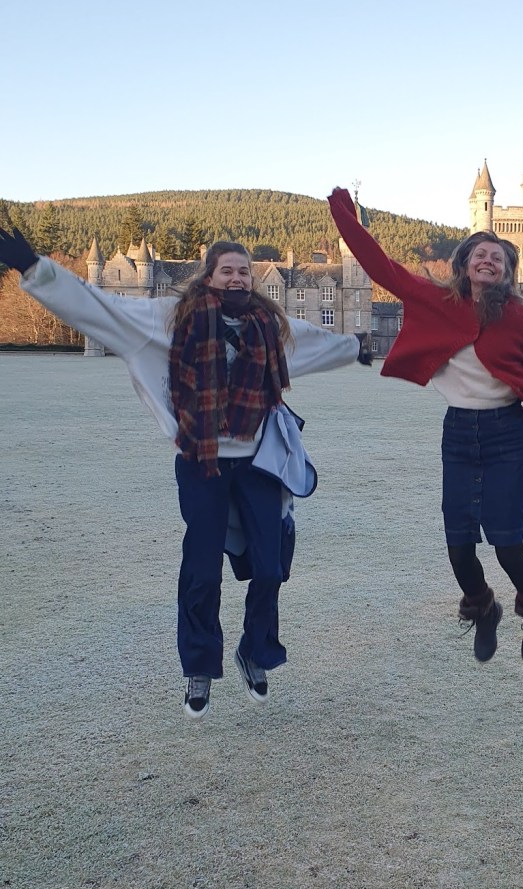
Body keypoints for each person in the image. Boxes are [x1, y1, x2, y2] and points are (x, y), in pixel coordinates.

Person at [0, 227, 372, 718]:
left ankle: (255, 651)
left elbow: (319, 343)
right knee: (201, 570)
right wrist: (35, 269)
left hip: (259, 462)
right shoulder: (169, 319)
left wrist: (357, 346)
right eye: (228, 271)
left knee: (270, 564)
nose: (237, 278)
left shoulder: (269, 325)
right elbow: (98, 307)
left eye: (244, 271)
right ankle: (199, 665)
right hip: (202, 461)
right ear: (209, 275)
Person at [328, 188, 523, 662]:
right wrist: (345, 217)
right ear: (465, 263)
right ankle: (483, 608)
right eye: (481, 253)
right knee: (459, 549)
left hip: (508, 437)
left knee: (507, 546)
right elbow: (381, 268)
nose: (489, 260)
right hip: (458, 435)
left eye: (498, 257)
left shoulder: (522, 320)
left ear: (508, 272)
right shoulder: (436, 301)